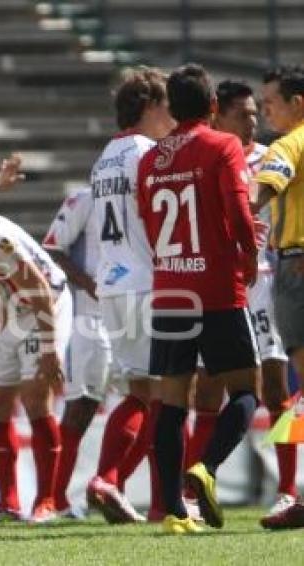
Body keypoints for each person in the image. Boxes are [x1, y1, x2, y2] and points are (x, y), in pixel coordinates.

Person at [137, 63, 259, 535]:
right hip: (215, 286)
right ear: (212, 107)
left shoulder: (150, 160)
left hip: (170, 290)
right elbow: (238, 208)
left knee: (170, 402)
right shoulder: (222, 145)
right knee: (246, 391)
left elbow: (149, 223)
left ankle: (172, 511)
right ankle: (206, 468)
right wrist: (247, 256)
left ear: (170, 108)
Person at [184, 79, 294, 525]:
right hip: (220, 283)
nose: (253, 121)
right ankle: (191, 488)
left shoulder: (273, 157)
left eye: (256, 112)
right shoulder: (208, 157)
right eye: (243, 114)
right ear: (217, 116)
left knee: (277, 389)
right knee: (207, 388)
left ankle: (288, 490)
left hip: (265, 281)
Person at [85, 67, 176, 523]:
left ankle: (114, 484)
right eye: (166, 106)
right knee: (164, 394)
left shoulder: (105, 157)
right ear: (149, 107)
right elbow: (161, 218)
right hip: (146, 281)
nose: (173, 117)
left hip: (113, 284)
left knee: (141, 390)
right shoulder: (150, 154)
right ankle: (146, 495)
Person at [0, 210, 70, 524]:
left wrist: (49, 348)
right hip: (5, 314)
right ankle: (8, 503)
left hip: (43, 306)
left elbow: (41, 290)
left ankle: (47, 501)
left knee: (34, 398)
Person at [250, 64, 304, 530]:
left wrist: (238, 213)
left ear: (297, 103)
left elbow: (264, 189)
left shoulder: (289, 144)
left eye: (271, 101)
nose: (265, 109)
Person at [42, 187, 112, 518]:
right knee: (81, 408)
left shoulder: (151, 191)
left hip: (134, 311)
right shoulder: (86, 197)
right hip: (89, 318)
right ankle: (55, 499)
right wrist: (89, 284)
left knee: (155, 397)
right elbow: (52, 248)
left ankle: (114, 486)